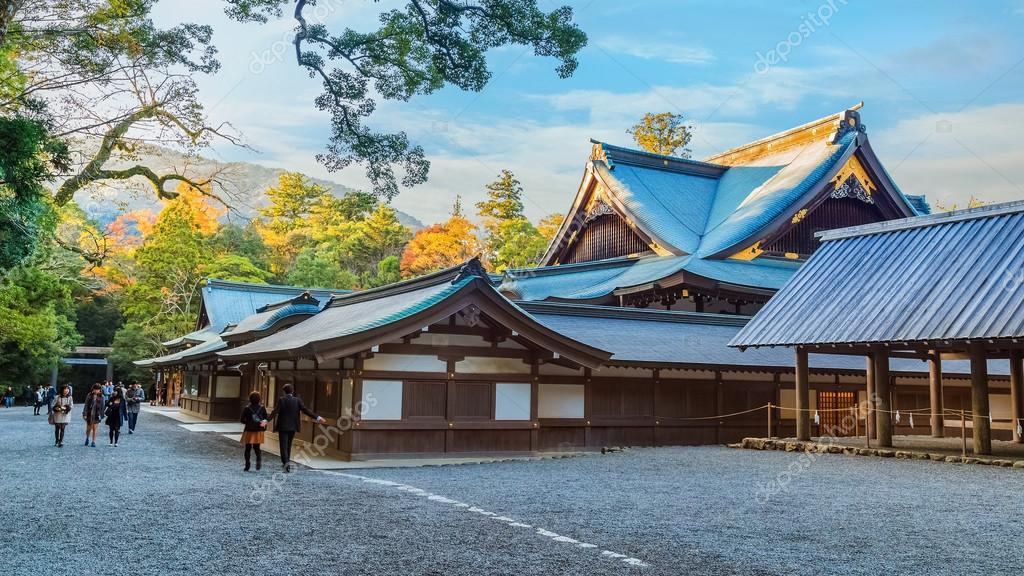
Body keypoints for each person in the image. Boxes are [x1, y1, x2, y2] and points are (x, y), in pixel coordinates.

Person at [266, 384, 325, 473]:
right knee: (289, 445)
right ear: (292, 391)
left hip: (283, 426)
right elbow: (306, 410)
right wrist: (317, 417)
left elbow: (275, 411)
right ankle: (287, 461)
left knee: (283, 445)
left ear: (284, 392)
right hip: (293, 426)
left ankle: (286, 462)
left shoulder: (282, 400)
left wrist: (267, 420)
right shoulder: (297, 401)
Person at [239, 392, 269, 472]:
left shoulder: (247, 408)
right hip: (258, 430)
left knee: (248, 448)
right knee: (257, 448)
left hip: (249, 430)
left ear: (250, 399)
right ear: (259, 399)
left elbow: (242, 420)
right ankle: (258, 462)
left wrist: (249, 422)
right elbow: (266, 419)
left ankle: (247, 465)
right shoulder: (262, 408)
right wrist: (261, 425)